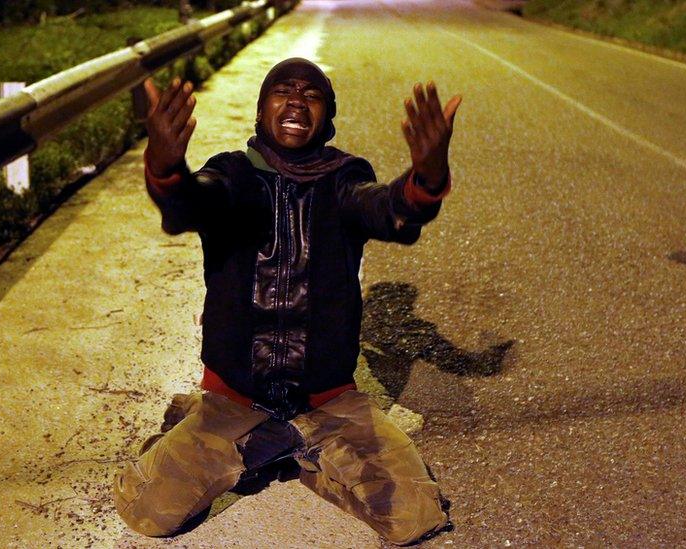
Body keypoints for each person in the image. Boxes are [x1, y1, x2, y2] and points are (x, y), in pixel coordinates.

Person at [114, 57, 462, 545]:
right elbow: (191, 202)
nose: (297, 99)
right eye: (283, 90)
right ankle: (253, 438)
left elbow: (388, 210)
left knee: (415, 517)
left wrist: (425, 179)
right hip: (235, 397)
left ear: (326, 118)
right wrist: (168, 167)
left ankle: (289, 446)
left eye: (312, 94)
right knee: (145, 510)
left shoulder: (344, 178)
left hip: (328, 402)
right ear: (260, 114)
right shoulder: (233, 173)